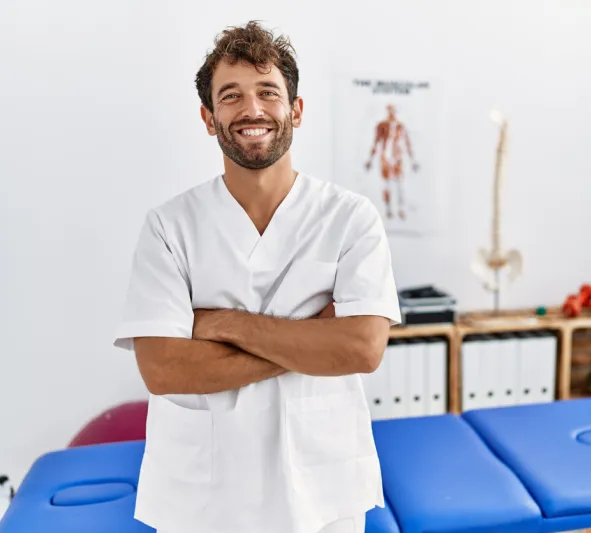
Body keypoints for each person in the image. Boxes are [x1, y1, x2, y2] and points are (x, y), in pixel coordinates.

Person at [113, 21, 401, 533]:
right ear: (208, 117)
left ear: (296, 110)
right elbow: (162, 369)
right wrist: (311, 337)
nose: (252, 109)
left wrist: (222, 324)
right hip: (201, 499)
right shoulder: (168, 227)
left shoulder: (351, 219)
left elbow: (361, 350)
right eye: (231, 96)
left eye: (268, 92)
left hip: (321, 491)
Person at [365, 104, 419, 220]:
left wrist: (412, 160)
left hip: (397, 156)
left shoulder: (400, 126)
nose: (391, 114)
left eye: (393, 111)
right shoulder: (381, 126)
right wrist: (370, 159)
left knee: (399, 183)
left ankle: (401, 208)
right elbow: (376, 142)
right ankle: (388, 209)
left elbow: (407, 143)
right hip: (385, 156)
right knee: (386, 183)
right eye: (389, 111)